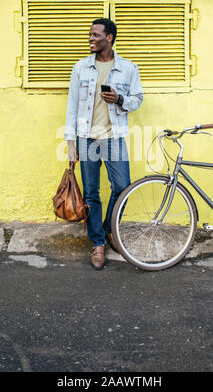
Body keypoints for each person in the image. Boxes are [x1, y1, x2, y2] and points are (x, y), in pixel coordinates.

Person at [64, 18, 143, 270]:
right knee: (91, 193)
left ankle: (109, 228)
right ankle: (98, 242)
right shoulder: (81, 68)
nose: (91, 39)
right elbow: (72, 107)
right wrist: (70, 143)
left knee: (122, 186)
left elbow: (138, 99)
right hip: (87, 137)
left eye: (95, 35)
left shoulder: (128, 68)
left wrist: (120, 99)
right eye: (90, 35)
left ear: (109, 38)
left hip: (114, 136)